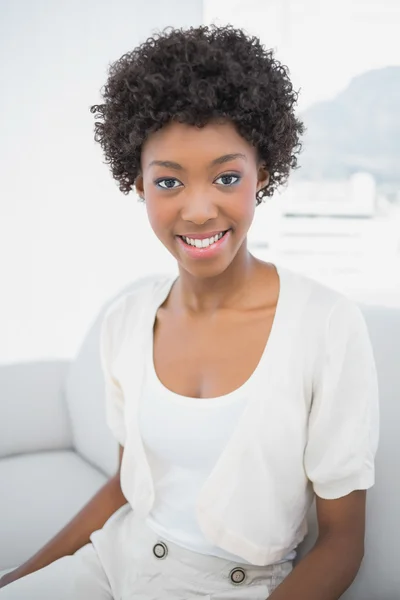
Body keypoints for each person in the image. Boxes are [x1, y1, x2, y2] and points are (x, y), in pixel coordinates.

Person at [0, 23, 379, 600]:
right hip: (112, 564)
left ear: (264, 175)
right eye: (169, 181)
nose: (199, 209)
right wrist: (18, 578)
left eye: (227, 177)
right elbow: (126, 490)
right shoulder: (126, 320)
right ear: (139, 185)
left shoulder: (325, 326)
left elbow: (343, 540)